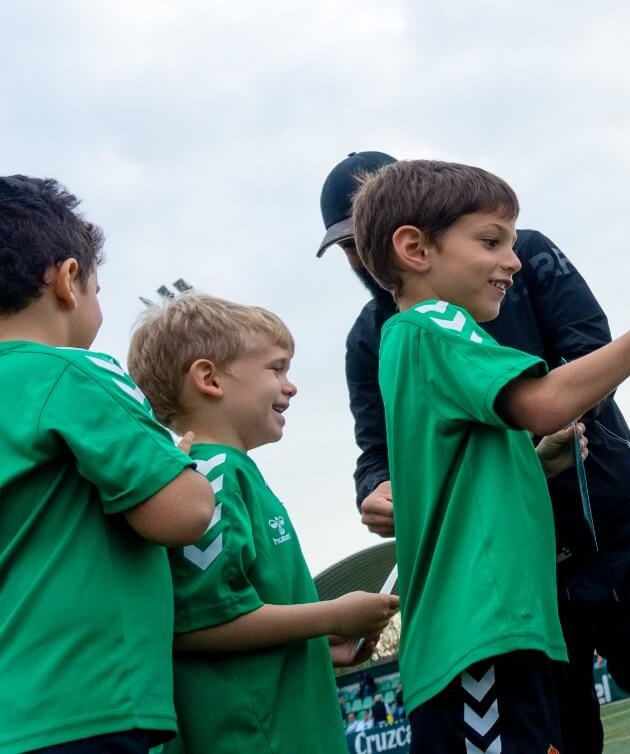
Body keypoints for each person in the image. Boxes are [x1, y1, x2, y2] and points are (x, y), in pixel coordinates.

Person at [318, 152, 630, 754]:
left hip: (612, 535)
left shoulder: (464, 298)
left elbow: (571, 364)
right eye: (350, 243)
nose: (509, 260)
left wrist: (537, 454)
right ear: (413, 248)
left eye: (506, 242)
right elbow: (532, 407)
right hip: (497, 604)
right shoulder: (426, 326)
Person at [126, 293, 400, 752]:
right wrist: (333, 613)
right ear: (209, 379)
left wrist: (316, 642)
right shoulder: (206, 478)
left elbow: (247, 614)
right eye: (276, 369)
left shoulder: (235, 473)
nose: (290, 386)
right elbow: (200, 624)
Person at [0, 176, 215, 754]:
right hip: (81, 705)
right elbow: (183, 514)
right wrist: (175, 462)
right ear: (68, 280)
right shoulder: (75, 373)